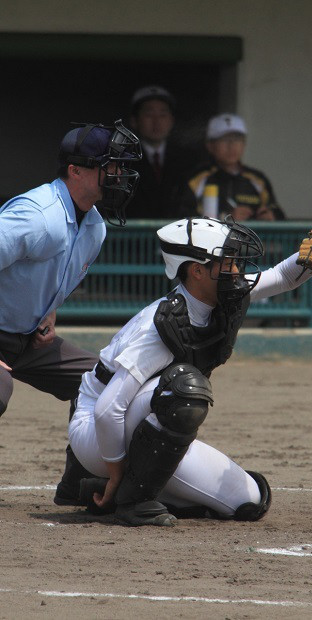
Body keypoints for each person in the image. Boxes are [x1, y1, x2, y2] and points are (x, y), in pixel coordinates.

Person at [68, 215, 312, 527]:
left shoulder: (216, 299)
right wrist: (115, 475)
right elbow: (107, 410)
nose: (237, 270)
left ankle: (98, 489)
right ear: (197, 271)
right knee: (184, 389)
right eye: (227, 262)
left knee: (249, 501)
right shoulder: (159, 329)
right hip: (96, 431)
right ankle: (131, 499)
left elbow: (281, 276)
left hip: (138, 422)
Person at [0, 119, 142, 505]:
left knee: (100, 383)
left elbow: (55, 278)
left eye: (118, 167)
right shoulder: (36, 215)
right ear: (75, 170)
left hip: (28, 339)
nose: (117, 176)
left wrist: (50, 313)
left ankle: (79, 484)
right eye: (108, 167)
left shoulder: (94, 225)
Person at [179, 113, 286, 222]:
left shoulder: (258, 179)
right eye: (224, 139)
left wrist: (271, 216)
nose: (231, 145)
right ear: (210, 145)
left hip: (251, 238)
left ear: (244, 144)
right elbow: (181, 217)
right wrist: (225, 217)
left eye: (237, 139)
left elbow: (277, 211)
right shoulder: (197, 179)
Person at [127, 85, 196, 219]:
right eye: (149, 114)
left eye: (163, 114)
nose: (156, 121)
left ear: (171, 121)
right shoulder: (124, 159)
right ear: (134, 121)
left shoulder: (187, 159)